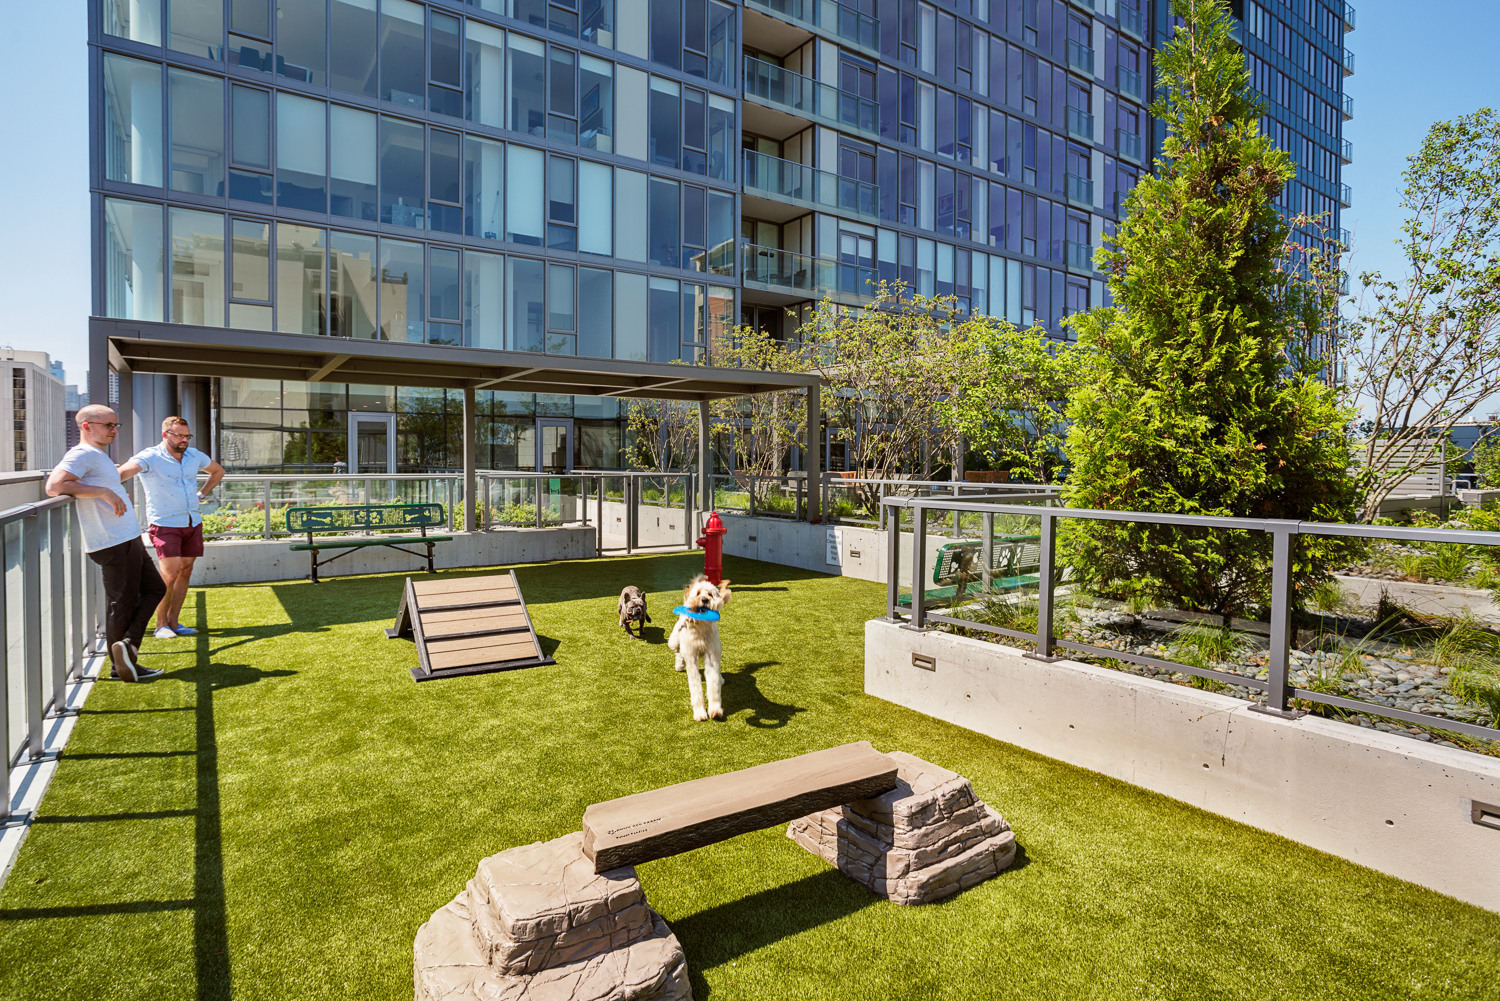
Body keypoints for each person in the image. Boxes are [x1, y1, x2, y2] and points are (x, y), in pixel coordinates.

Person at [45, 405, 166, 682]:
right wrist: (103, 491)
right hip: (112, 542)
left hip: (125, 537)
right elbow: (54, 486)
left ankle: (128, 647)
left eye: (115, 425)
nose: (114, 430)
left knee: (154, 589)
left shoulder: (96, 455)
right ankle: (120, 665)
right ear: (87, 426)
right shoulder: (81, 453)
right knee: (121, 603)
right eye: (108, 425)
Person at [119, 416, 224, 639]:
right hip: (165, 523)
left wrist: (201, 494)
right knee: (169, 574)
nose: (184, 440)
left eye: (187, 436)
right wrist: (112, 493)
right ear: (165, 434)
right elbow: (122, 473)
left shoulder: (195, 456)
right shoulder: (150, 456)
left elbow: (218, 471)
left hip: (191, 521)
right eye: (179, 435)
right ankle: (161, 625)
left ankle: (174, 622)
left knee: (186, 571)